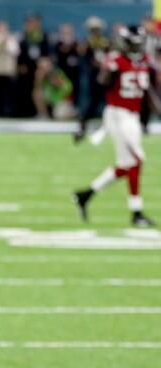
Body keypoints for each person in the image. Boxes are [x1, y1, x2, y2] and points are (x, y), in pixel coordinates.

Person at [73, 25, 160, 228]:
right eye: (133, 44)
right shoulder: (115, 62)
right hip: (117, 115)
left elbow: (147, 94)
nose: (137, 47)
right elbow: (97, 94)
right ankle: (136, 212)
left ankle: (85, 195)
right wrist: (83, 123)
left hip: (133, 117)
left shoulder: (144, 62)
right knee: (136, 161)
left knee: (126, 165)